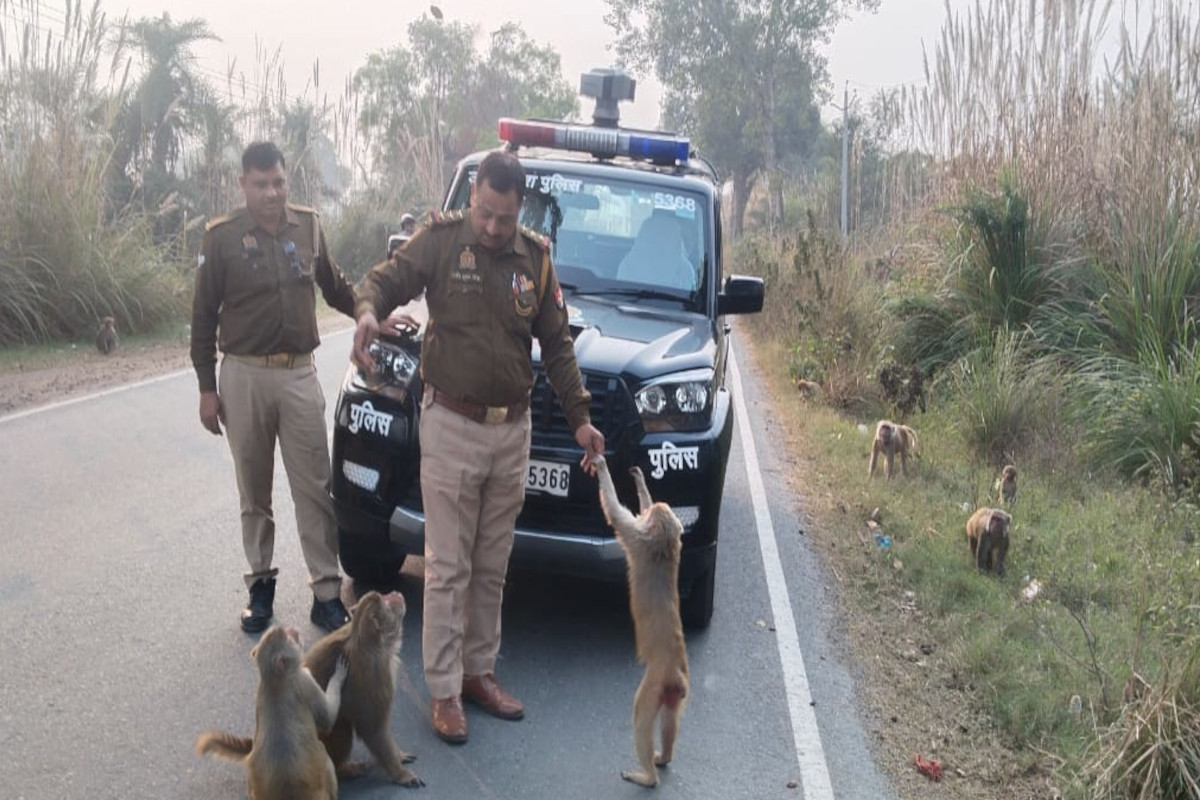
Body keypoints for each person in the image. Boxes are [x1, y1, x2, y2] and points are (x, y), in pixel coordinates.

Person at [351, 151, 605, 744]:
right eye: (486, 214)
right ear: (473, 201)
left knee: (492, 565)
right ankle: (443, 691)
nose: (493, 227)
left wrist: (581, 421)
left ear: (521, 212)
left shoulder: (536, 260)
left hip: (511, 432)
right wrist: (367, 313)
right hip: (451, 424)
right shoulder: (440, 242)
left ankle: (478, 673)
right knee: (446, 565)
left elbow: (559, 346)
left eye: (505, 218)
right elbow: (385, 279)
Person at [191, 141, 358, 635]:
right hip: (242, 375)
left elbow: (335, 285)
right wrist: (206, 387)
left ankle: (326, 593)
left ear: (288, 181)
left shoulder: (307, 226)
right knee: (254, 489)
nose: (271, 192)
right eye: (261, 184)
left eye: (279, 182)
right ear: (243, 185)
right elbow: (202, 320)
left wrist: (371, 314)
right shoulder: (220, 240)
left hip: (299, 373)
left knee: (315, 486)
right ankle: (260, 587)